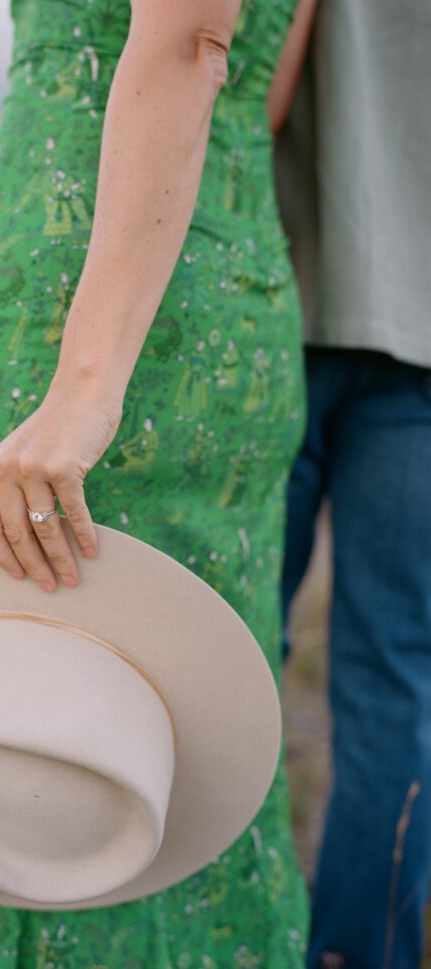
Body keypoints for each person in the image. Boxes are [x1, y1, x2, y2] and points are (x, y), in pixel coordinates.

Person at [0, 0, 316, 963]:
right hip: (227, 290)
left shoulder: (84, 371)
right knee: (179, 771)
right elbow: (263, 90)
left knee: (45, 756)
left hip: (88, 328)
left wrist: (85, 390)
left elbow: (190, 47)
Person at [276, 0, 431, 964]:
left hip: (267, 305)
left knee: (225, 663)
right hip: (420, 325)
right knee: (394, 683)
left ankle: (213, 941)